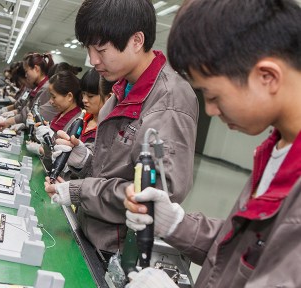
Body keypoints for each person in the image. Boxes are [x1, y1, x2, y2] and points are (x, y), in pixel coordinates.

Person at [124, 0, 301, 287]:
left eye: (213, 95)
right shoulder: (278, 150)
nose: (210, 111)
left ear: (267, 77)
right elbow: (249, 252)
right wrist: (177, 224)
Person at [44, 0, 198, 253]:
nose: (92, 59)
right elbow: (115, 167)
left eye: (101, 50)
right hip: (91, 235)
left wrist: (80, 190)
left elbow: (156, 193)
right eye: (89, 48)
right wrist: (85, 160)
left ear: (137, 41)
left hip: (118, 252)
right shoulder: (120, 91)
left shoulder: (169, 101)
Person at [0, 53, 57, 131]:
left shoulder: (45, 88)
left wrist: (9, 121)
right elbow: (26, 108)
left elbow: (33, 113)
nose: (26, 75)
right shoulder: (37, 87)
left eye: (26, 71)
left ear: (36, 69)